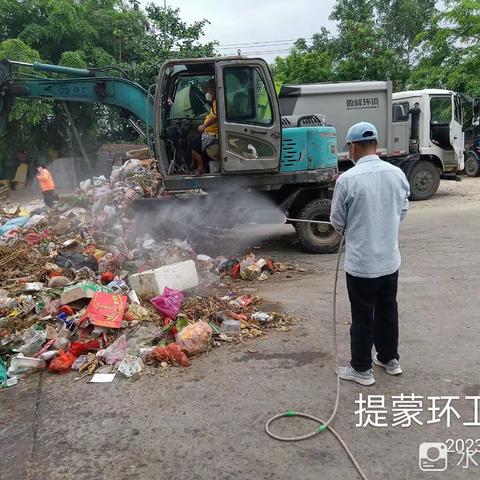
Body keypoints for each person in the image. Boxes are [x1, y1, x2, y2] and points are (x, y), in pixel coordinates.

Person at [330, 122, 410, 386]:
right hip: (389, 261)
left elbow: (337, 222)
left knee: (362, 314)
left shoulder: (347, 180)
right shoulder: (397, 174)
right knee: (388, 309)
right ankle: (389, 359)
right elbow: (402, 212)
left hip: (362, 264)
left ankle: (362, 369)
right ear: (375, 144)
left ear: (353, 147)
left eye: (349, 149)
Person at [191, 79, 218, 174]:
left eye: (209, 90)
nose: (208, 92)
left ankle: (201, 167)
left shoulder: (218, 101)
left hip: (214, 134)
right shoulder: (215, 101)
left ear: (215, 89)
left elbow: (215, 116)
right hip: (210, 132)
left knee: (194, 143)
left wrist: (203, 126)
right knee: (195, 139)